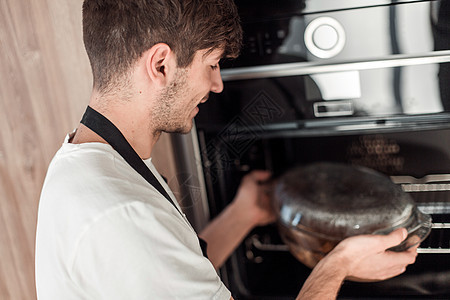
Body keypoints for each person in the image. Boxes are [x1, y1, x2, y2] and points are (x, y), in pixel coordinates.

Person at [35, 0, 418, 299]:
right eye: (213, 64)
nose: (217, 85)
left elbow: (174, 272)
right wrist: (338, 263)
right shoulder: (122, 211)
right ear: (161, 64)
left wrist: (244, 213)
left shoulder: (89, 166)